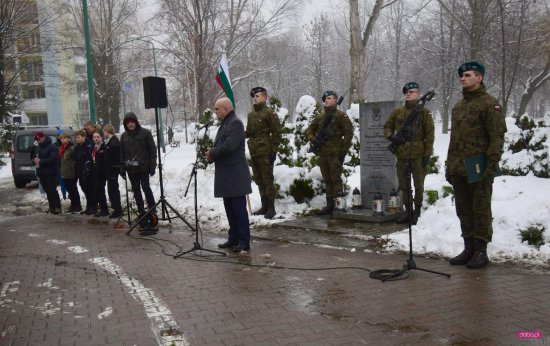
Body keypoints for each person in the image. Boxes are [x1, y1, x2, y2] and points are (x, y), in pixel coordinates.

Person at [446, 61, 507, 269]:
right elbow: (454, 140)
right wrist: (449, 165)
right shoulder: (458, 107)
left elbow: (496, 137)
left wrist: (491, 166)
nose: (463, 78)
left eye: (468, 75)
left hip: (479, 167)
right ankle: (469, 247)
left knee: (480, 209)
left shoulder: (490, 104)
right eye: (462, 76)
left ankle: (481, 250)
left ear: (479, 77)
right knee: (463, 210)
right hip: (459, 168)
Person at [384, 82, 435, 225]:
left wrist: (427, 155)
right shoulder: (398, 112)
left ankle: (417, 213)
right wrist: (391, 136)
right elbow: (387, 126)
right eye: (406, 92)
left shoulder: (424, 112)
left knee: (419, 186)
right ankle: (408, 211)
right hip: (402, 155)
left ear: (419, 94)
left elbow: (430, 135)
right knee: (404, 186)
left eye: (412, 91)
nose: (408, 94)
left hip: (418, 155)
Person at [206, 97, 252, 252]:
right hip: (227, 175)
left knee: (239, 210)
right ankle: (233, 238)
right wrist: (212, 153)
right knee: (230, 210)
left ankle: (244, 241)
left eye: (217, 109)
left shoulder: (235, 123)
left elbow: (229, 147)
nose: (215, 112)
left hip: (235, 175)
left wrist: (212, 152)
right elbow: (222, 145)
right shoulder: (226, 123)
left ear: (225, 109)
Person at [305, 90, 353, 215]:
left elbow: (348, 134)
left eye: (329, 98)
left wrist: (343, 152)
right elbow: (309, 130)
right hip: (323, 153)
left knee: (336, 179)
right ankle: (330, 205)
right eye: (325, 98)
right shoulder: (320, 117)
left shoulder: (341, 116)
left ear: (336, 100)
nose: (326, 100)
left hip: (335, 154)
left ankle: (339, 205)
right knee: (327, 179)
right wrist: (314, 139)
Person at [245, 87, 281, 219]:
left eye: (258, 96)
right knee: (259, 180)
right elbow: (249, 132)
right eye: (254, 96)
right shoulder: (251, 115)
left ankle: (271, 208)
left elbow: (277, 133)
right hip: (254, 151)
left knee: (267, 180)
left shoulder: (269, 113)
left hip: (265, 152)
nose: (255, 98)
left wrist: (274, 151)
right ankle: (264, 205)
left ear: (265, 97)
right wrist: (239, 133)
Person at [120, 112, 157, 217]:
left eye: (132, 122)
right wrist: (122, 168)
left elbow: (152, 150)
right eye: (128, 122)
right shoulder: (123, 136)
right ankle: (141, 210)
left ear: (136, 122)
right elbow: (121, 153)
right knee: (136, 190)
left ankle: (152, 208)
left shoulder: (145, 133)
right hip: (130, 168)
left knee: (145, 187)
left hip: (143, 167)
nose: (130, 124)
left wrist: (152, 166)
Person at [32, 132, 62, 214]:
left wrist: (41, 161)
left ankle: (57, 207)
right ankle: (52, 207)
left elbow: (53, 158)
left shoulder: (52, 146)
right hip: (41, 172)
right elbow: (33, 156)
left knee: (52, 190)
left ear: (44, 137)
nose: (39, 140)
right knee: (47, 190)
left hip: (51, 172)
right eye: (37, 139)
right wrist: (34, 160)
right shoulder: (37, 147)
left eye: (40, 138)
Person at [103, 124, 123, 218]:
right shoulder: (111, 141)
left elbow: (115, 157)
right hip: (110, 169)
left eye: (104, 132)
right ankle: (115, 208)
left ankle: (117, 209)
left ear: (107, 131)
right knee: (111, 189)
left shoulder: (114, 142)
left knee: (113, 189)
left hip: (113, 169)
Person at [74, 130, 96, 215]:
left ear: (84, 137)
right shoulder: (78, 146)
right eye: (76, 137)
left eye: (79, 137)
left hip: (89, 172)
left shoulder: (89, 145)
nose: (77, 139)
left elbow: (89, 159)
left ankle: (93, 207)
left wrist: (87, 170)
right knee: (85, 189)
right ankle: (89, 207)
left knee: (90, 190)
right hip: (80, 171)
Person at [59, 133, 82, 213]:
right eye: (61, 139)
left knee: (73, 190)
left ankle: (77, 206)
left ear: (69, 139)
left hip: (71, 172)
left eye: (64, 138)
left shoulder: (72, 148)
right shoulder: (61, 148)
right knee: (69, 190)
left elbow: (76, 159)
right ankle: (73, 205)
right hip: (64, 172)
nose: (63, 140)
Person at [92, 131, 110, 217]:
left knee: (99, 190)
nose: (96, 138)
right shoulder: (94, 147)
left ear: (101, 138)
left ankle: (104, 209)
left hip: (102, 172)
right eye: (94, 137)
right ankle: (102, 208)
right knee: (97, 191)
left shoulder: (104, 147)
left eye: (98, 137)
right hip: (95, 171)